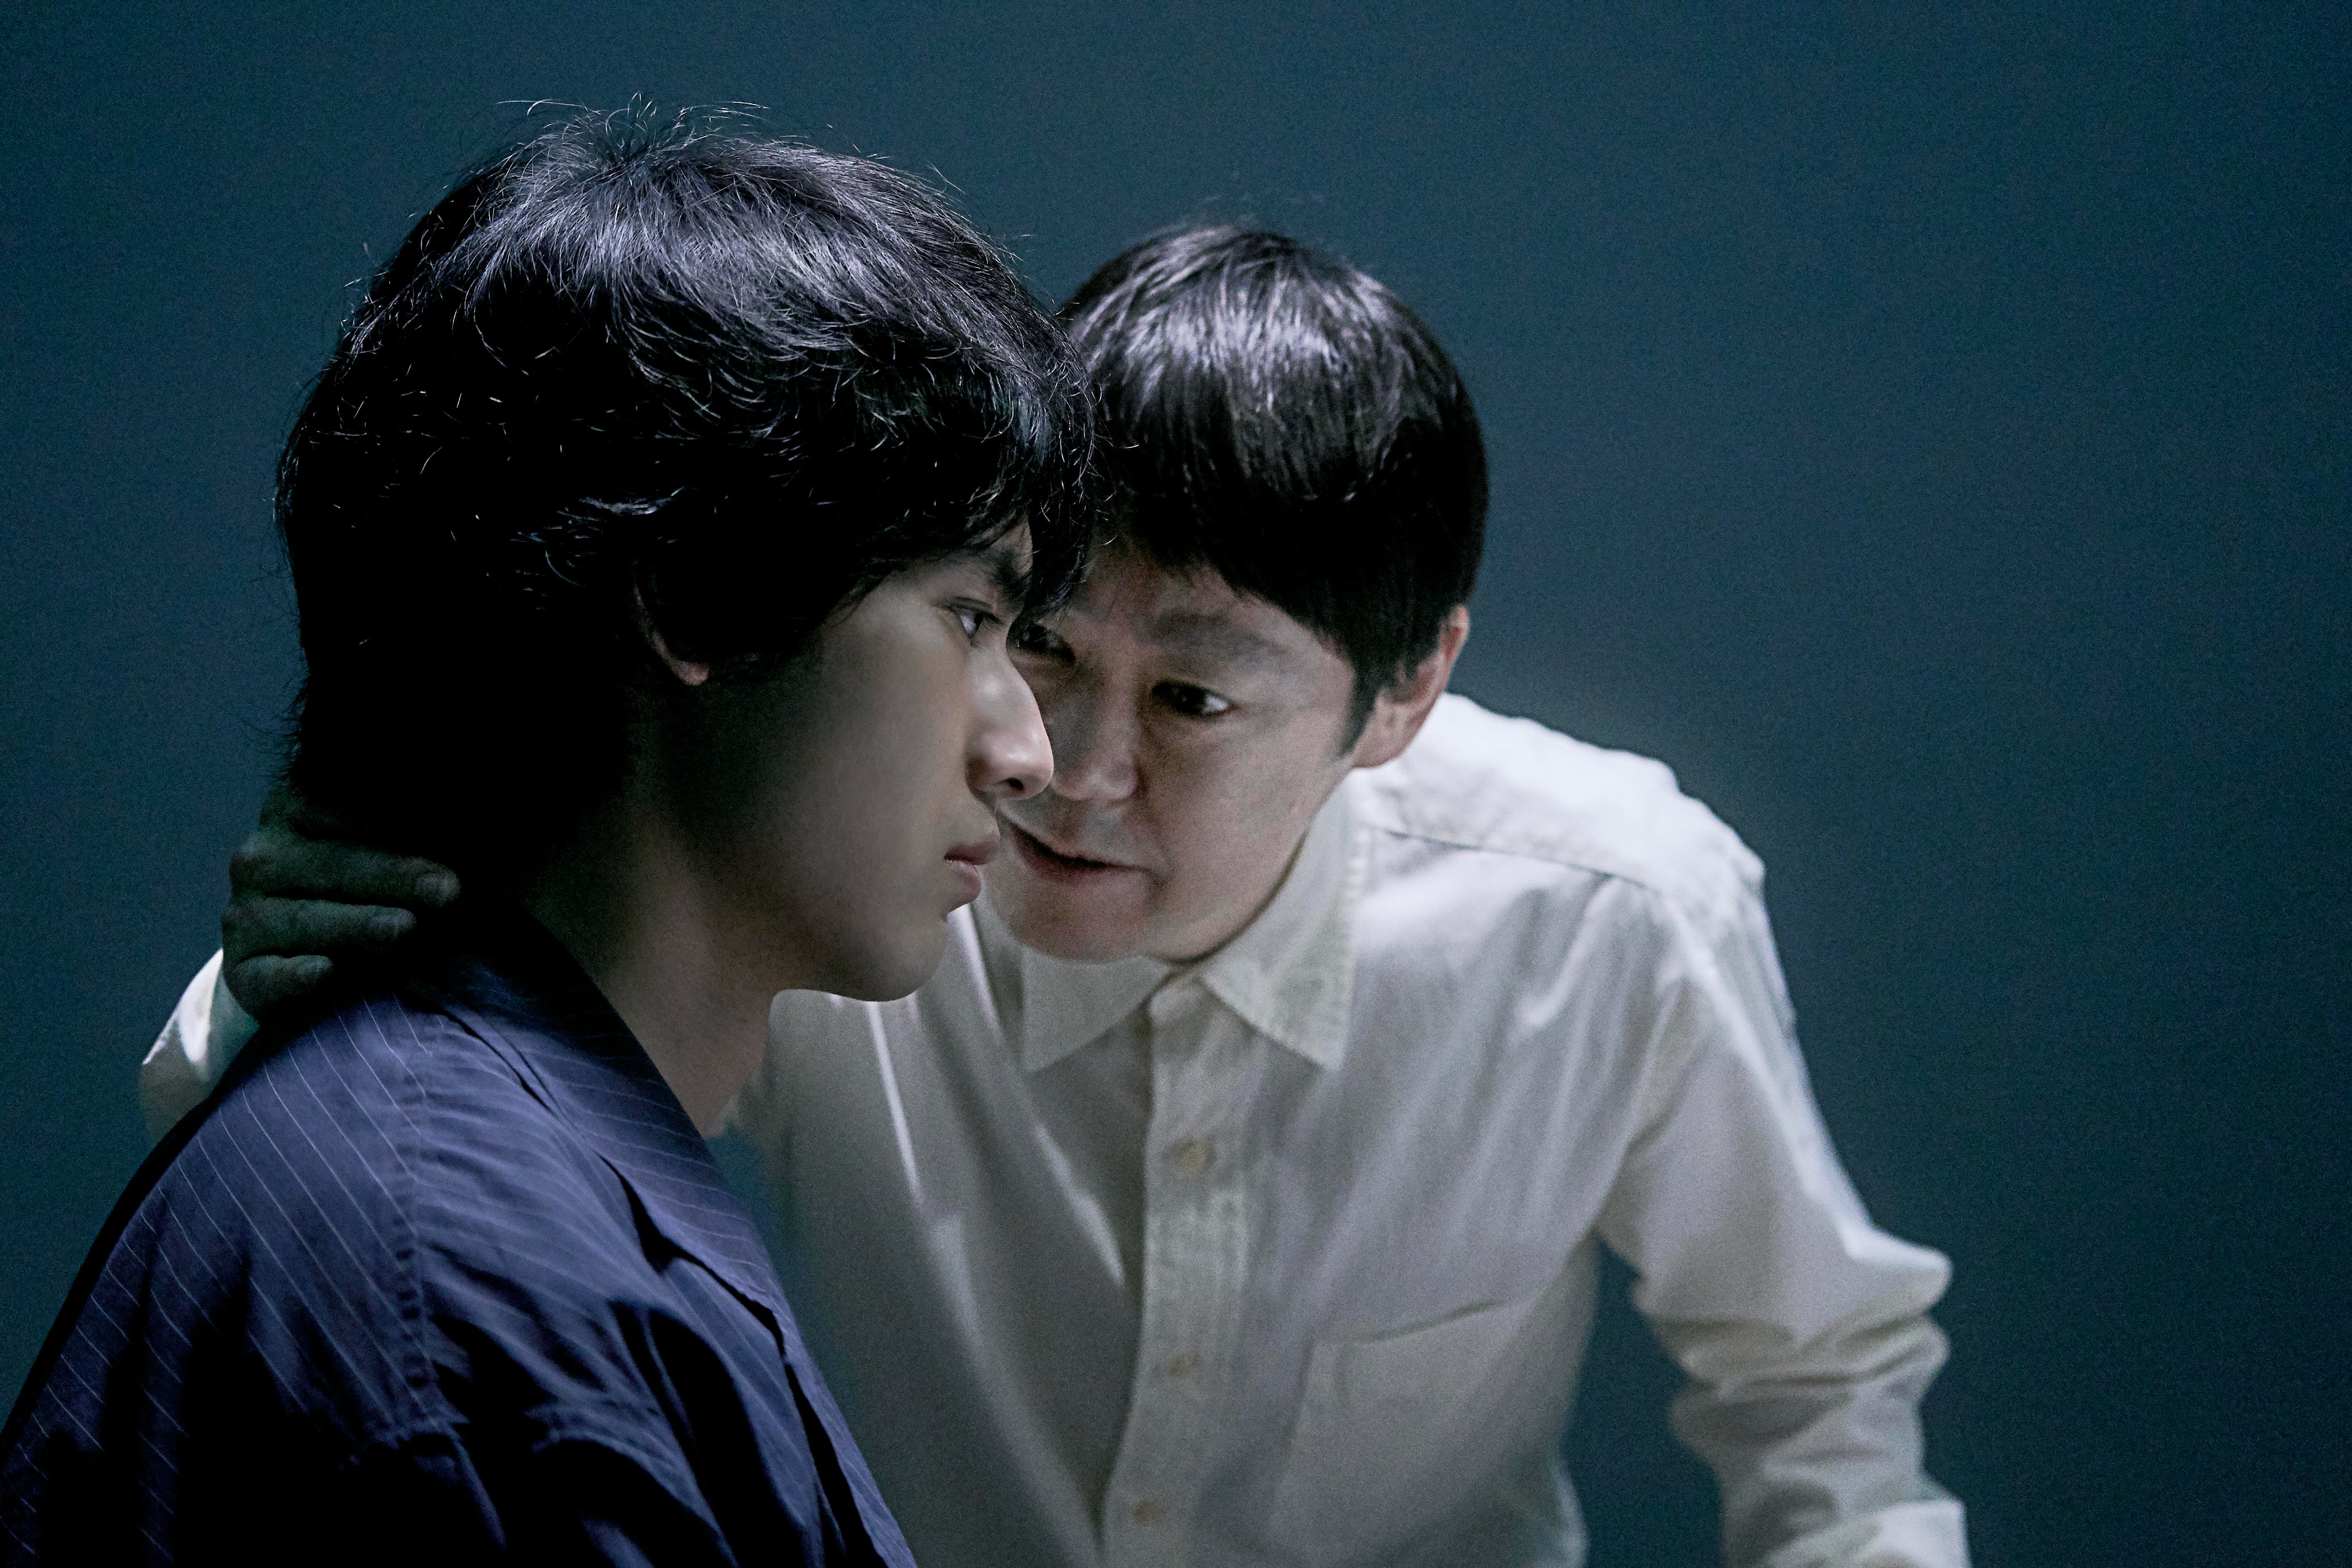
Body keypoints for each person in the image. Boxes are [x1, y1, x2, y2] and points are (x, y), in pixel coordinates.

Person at [142, 227, 1968, 1567]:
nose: (1058, 765)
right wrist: (321, 981)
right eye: (1034, 638)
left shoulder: (1611, 910)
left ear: (1405, 692)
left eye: (1192, 701)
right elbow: (455, 1165)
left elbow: (1821, 1384)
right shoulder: (860, 862)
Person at [5, 110, 1092, 1564]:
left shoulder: (485, 1192)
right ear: (701, 594)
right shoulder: (479, 1312)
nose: (1027, 755)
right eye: (967, 617)